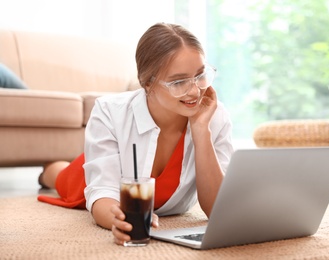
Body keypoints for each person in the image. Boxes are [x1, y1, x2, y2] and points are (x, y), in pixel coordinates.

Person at [37, 22, 234, 246]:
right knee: (63, 179)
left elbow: (218, 210)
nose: (194, 91)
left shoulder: (214, 115)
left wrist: (201, 130)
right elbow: (102, 191)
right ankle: (49, 170)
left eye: (200, 75)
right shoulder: (109, 112)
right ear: (147, 83)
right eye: (178, 82)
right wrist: (119, 220)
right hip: (106, 177)